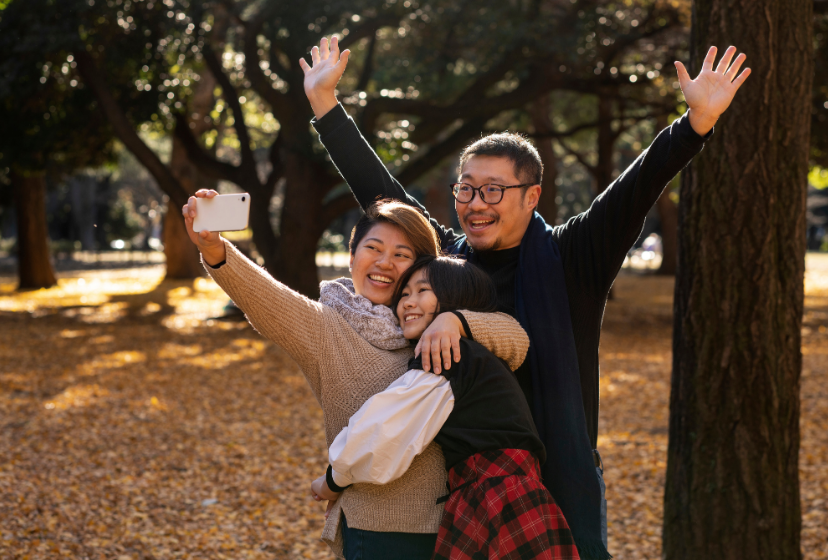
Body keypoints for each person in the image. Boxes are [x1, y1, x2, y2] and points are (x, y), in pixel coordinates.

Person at [300, 36, 751, 559]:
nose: (475, 203)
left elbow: (637, 187)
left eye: (493, 190)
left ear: (532, 195)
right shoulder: (446, 263)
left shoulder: (573, 256)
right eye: (465, 188)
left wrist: (694, 124)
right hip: (463, 489)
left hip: (559, 479)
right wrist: (325, 107)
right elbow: (382, 193)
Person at [182, 195, 530, 559]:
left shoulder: (432, 319)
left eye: (401, 254)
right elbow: (265, 299)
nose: (384, 262)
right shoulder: (327, 329)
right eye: (373, 248)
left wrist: (455, 321)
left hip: (462, 524)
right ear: (352, 257)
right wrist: (215, 249)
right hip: (380, 530)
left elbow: (517, 341)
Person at [312, 255, 580, 560]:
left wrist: (332, 480)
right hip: (504, 493)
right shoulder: (474, 355)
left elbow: (384, 430)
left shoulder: (447, 354)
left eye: (422, 291)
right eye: (404, 294)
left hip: (498, 498)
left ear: (456, 297)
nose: (408, 303)